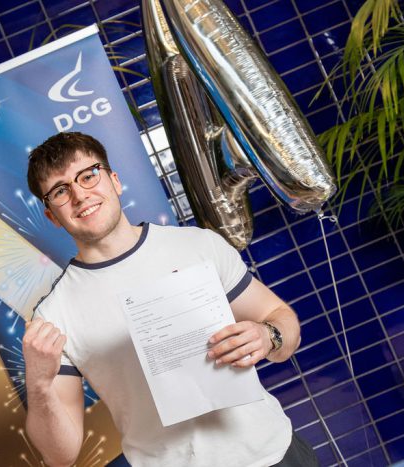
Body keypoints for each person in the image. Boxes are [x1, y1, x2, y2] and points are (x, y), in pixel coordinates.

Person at [22, 132, 318, 467]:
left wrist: (269, 335)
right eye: (61, 191)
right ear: (51, 216)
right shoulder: (54, 315)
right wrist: (40, 384)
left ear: (114, 181)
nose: (80, 195)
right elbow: (60, 456)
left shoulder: (198, 245)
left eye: (88, 175)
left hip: (275, 454)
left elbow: (284, 326)